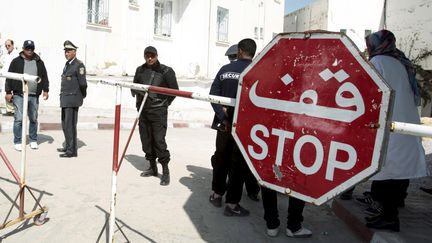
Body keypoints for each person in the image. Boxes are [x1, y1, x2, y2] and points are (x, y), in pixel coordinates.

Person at [363, 30, 427, 232]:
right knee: (398, 170)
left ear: (376, 45)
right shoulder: (400, 61)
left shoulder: (379, 62)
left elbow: (370, 92)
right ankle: (391, 209)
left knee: (386, 170)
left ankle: (389, 217)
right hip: (405, 122)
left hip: (390, 123)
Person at [208, 38, 260, 216]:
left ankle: (216, 195)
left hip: (224, 125)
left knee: (221, 160)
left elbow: (213, 95)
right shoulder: (257, 71)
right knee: (238, 166)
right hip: (244, 128)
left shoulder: (225, 69)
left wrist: (223, 116)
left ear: (239, 51)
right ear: (253, 53)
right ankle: (231, 204)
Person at [132, 46, 178, 186]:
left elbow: (174, 91)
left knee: (159, 141)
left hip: (158, 112)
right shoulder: (140, 70)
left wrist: (164, 104)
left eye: (152, 56)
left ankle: (165, 171)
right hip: (143, 111)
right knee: (146, 141)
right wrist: (139, 93)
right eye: (147, 56)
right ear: (144, 56)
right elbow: (133, 87)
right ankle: (152, 167)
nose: (150, 58)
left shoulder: (166, 71)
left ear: (157, 56)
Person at [5, 40, 49, 151]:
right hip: (19, 94)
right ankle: (18, 141)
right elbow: (9, 76)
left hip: (34, 95)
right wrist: (8, 92)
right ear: (23, 49)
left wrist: (46, 90)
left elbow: (44, 76)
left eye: (31, 48)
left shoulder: (39, 62)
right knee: (19, 119)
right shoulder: (16, 61)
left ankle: (33, 140)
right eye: (27, 48)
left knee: (33, 118)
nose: (29, 50)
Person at [58, 40, 87, 158]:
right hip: (65, 99)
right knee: (65, 124)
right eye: (65, 51)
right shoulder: (68, 64)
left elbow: (83, 84)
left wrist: (81, 96)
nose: (66, 53)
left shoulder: (79, 65)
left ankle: (72, 151)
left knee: (70, 125)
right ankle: (68, 146)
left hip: (73, 99)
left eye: (69, 51)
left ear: (74, 52)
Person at [1, 39, 19, 115]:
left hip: (13, 77)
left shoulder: (16, 54)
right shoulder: (5, 55)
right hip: (5, 77)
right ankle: (9, 110)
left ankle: (15, 110)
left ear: (12, 45)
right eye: (6, 46)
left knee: (13, 94)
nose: (7, 47)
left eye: (9, 45)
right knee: (6, 93)